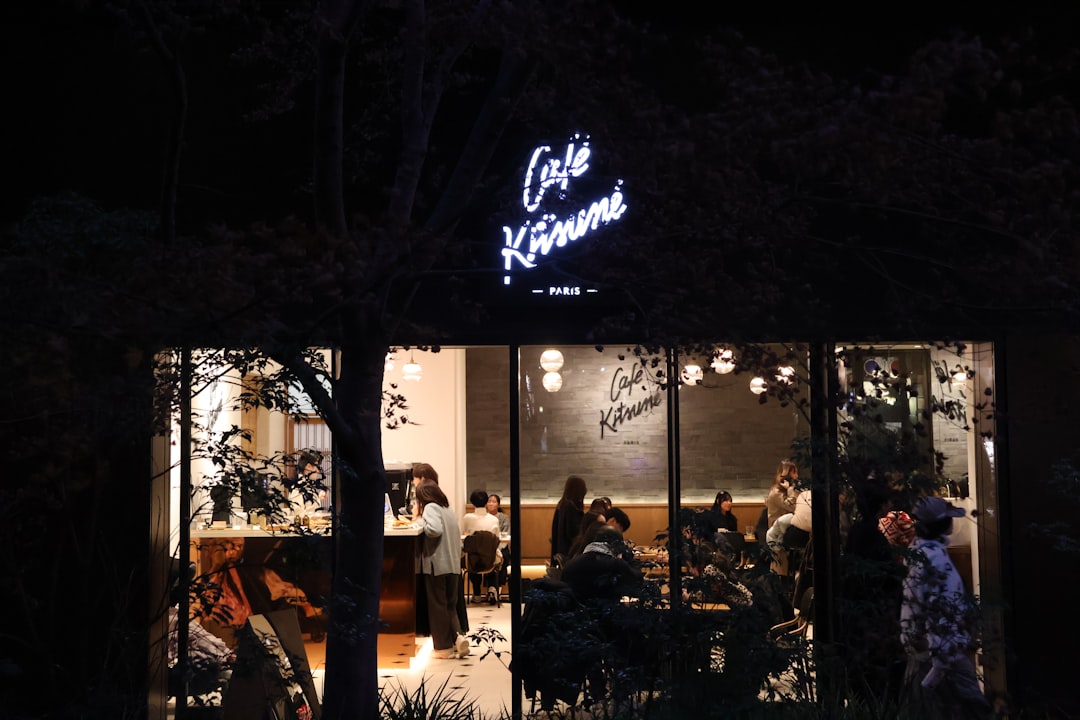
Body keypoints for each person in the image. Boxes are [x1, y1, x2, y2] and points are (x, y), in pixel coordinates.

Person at [900, 496, 990, 719]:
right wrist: (941, 666)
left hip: (923, 655)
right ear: (940, 524)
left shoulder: (918, 555)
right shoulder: (936, 560)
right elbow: (941, 613)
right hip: (944, 658)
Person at [413, 481, 471, 659]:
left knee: (437, 606)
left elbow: (434, 530)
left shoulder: (431, 508)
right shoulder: (448, 510)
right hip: (453, 564)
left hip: (436, 564)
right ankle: (458, 638)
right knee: (450, 605)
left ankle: (443, 647)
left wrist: (419, 521)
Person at [462, 489, 503, 600]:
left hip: (472, 560)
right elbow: (497, 538)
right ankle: (492, 589)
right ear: (486, 502)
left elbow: (462, 535)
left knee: (471, 554)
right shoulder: (494, 519)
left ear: (472, 503)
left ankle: (476, 593)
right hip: (490, 558)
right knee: (493, 559)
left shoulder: (467, 518)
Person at [550, 475, 587, 564]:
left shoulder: (562, 505)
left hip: (562, 551)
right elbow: (573, 532)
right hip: (570, 553)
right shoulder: (570, 508)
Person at [767, 460, 800, 527]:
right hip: (778, 530)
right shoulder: (776, 492)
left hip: (788, 526)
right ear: (786, 477)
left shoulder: (792, 489)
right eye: (794, 473)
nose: (797, 476)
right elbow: (792, 507)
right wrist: (790, 490)